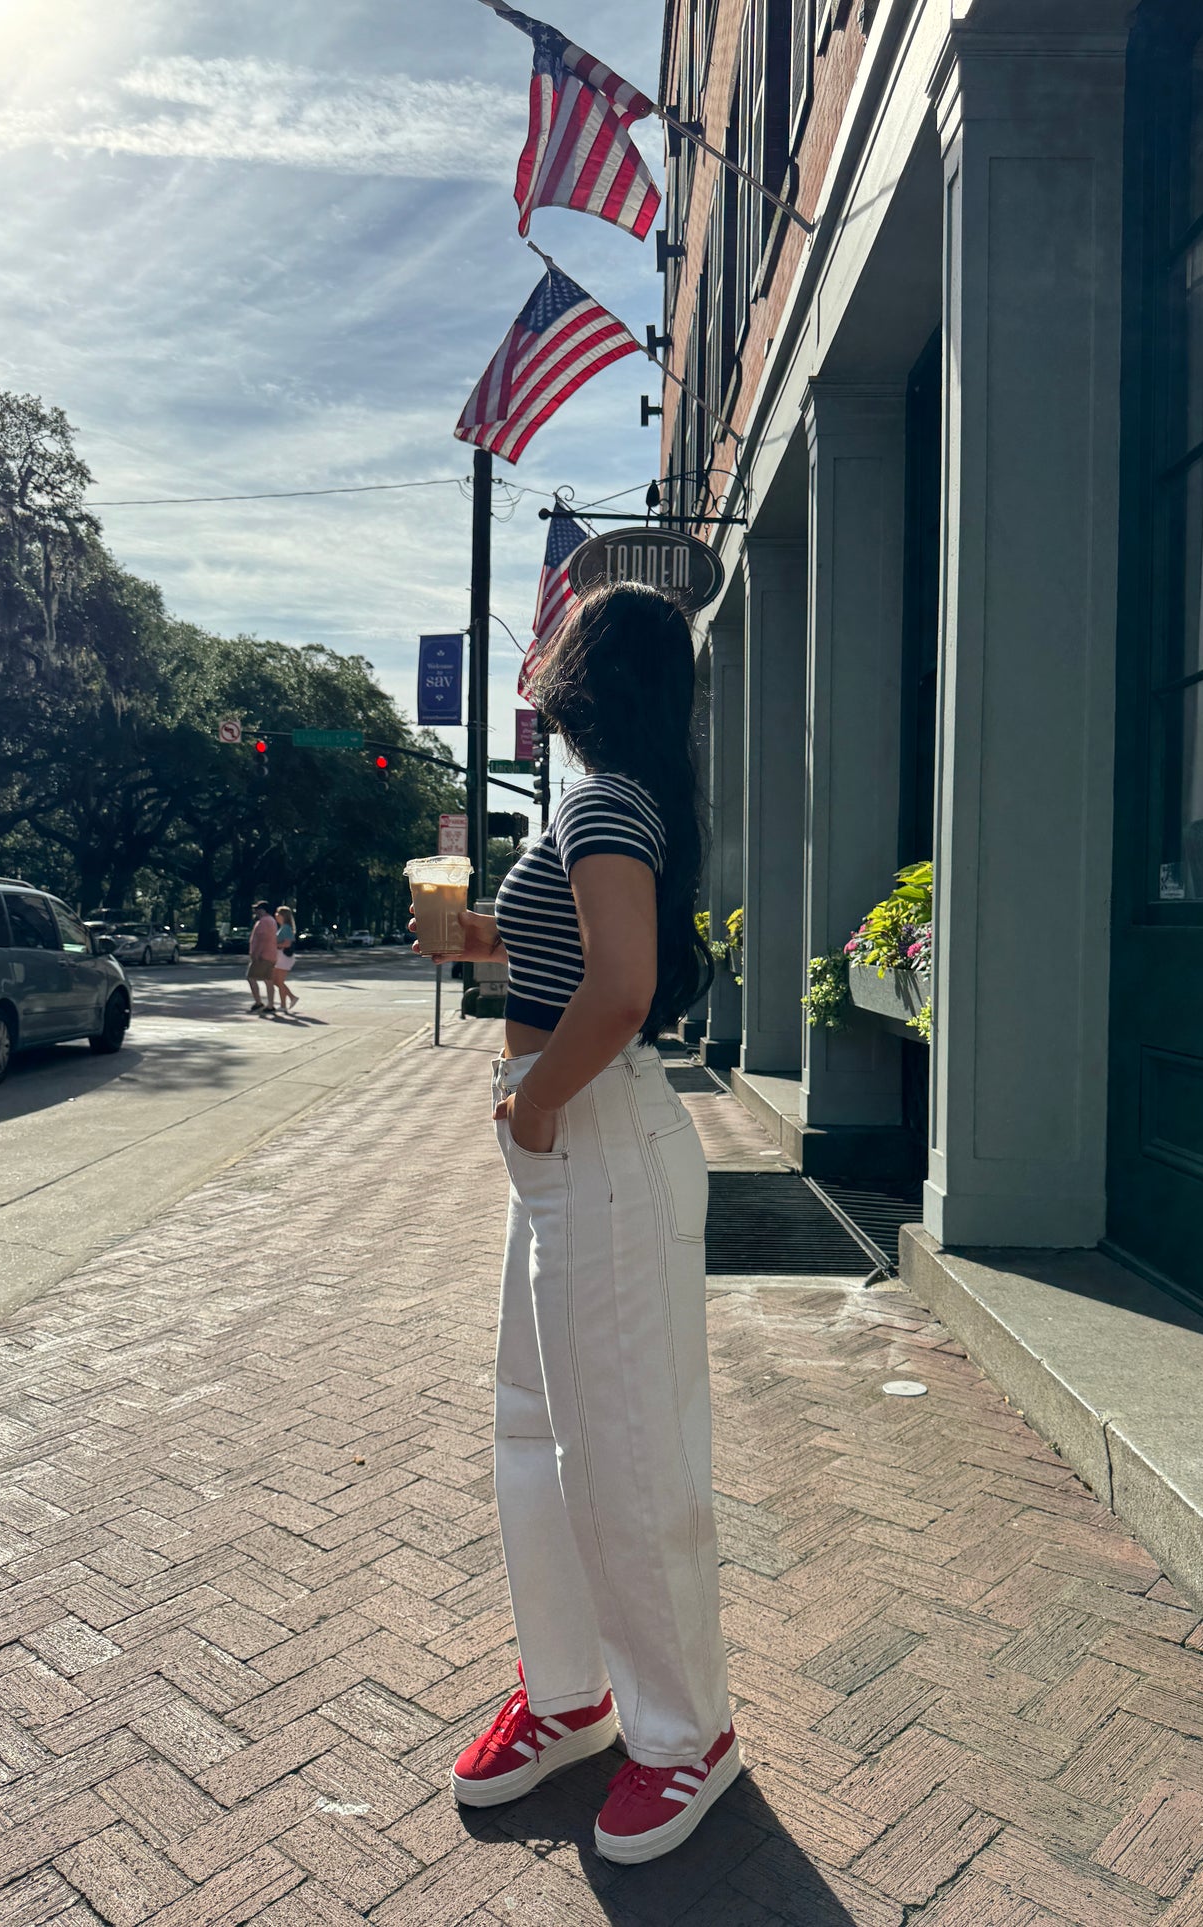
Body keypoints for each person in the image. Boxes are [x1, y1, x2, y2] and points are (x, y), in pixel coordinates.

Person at [416, 583, 732, 1865]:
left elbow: (625, 986)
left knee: (622, 1452)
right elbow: (570, 955)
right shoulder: (609, 802)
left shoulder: (601, 802)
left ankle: (683, 1734)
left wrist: (534, 1105)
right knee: (535, 1433)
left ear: (584, 667)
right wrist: (476, 936)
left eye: (550, 642)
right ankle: (568, 1694)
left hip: (590, 1135)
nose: (531, 658)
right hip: (571, 1143)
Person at [247, 900, 278, 1014]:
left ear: (263, 910)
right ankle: (270, 1004)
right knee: (268, 980)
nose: (255, 911)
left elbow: (262, 939)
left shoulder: (264, 921)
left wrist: (256, 954)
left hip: (262, 955)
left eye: (257, 909)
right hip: (271, 954)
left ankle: (258, 1002)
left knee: (251, 977)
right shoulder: (271, 921)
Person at [273, 906, 299, 1012]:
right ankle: (288, 1000)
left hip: (284, 956)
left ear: (283, 916)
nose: (276, 915)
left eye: (278, 913)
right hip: (281, 956)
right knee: (277, 981)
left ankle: (287, 1001)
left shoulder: (286, 928)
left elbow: (287, 943)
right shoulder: (283, 927)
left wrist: (275, 944)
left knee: (278, 981)